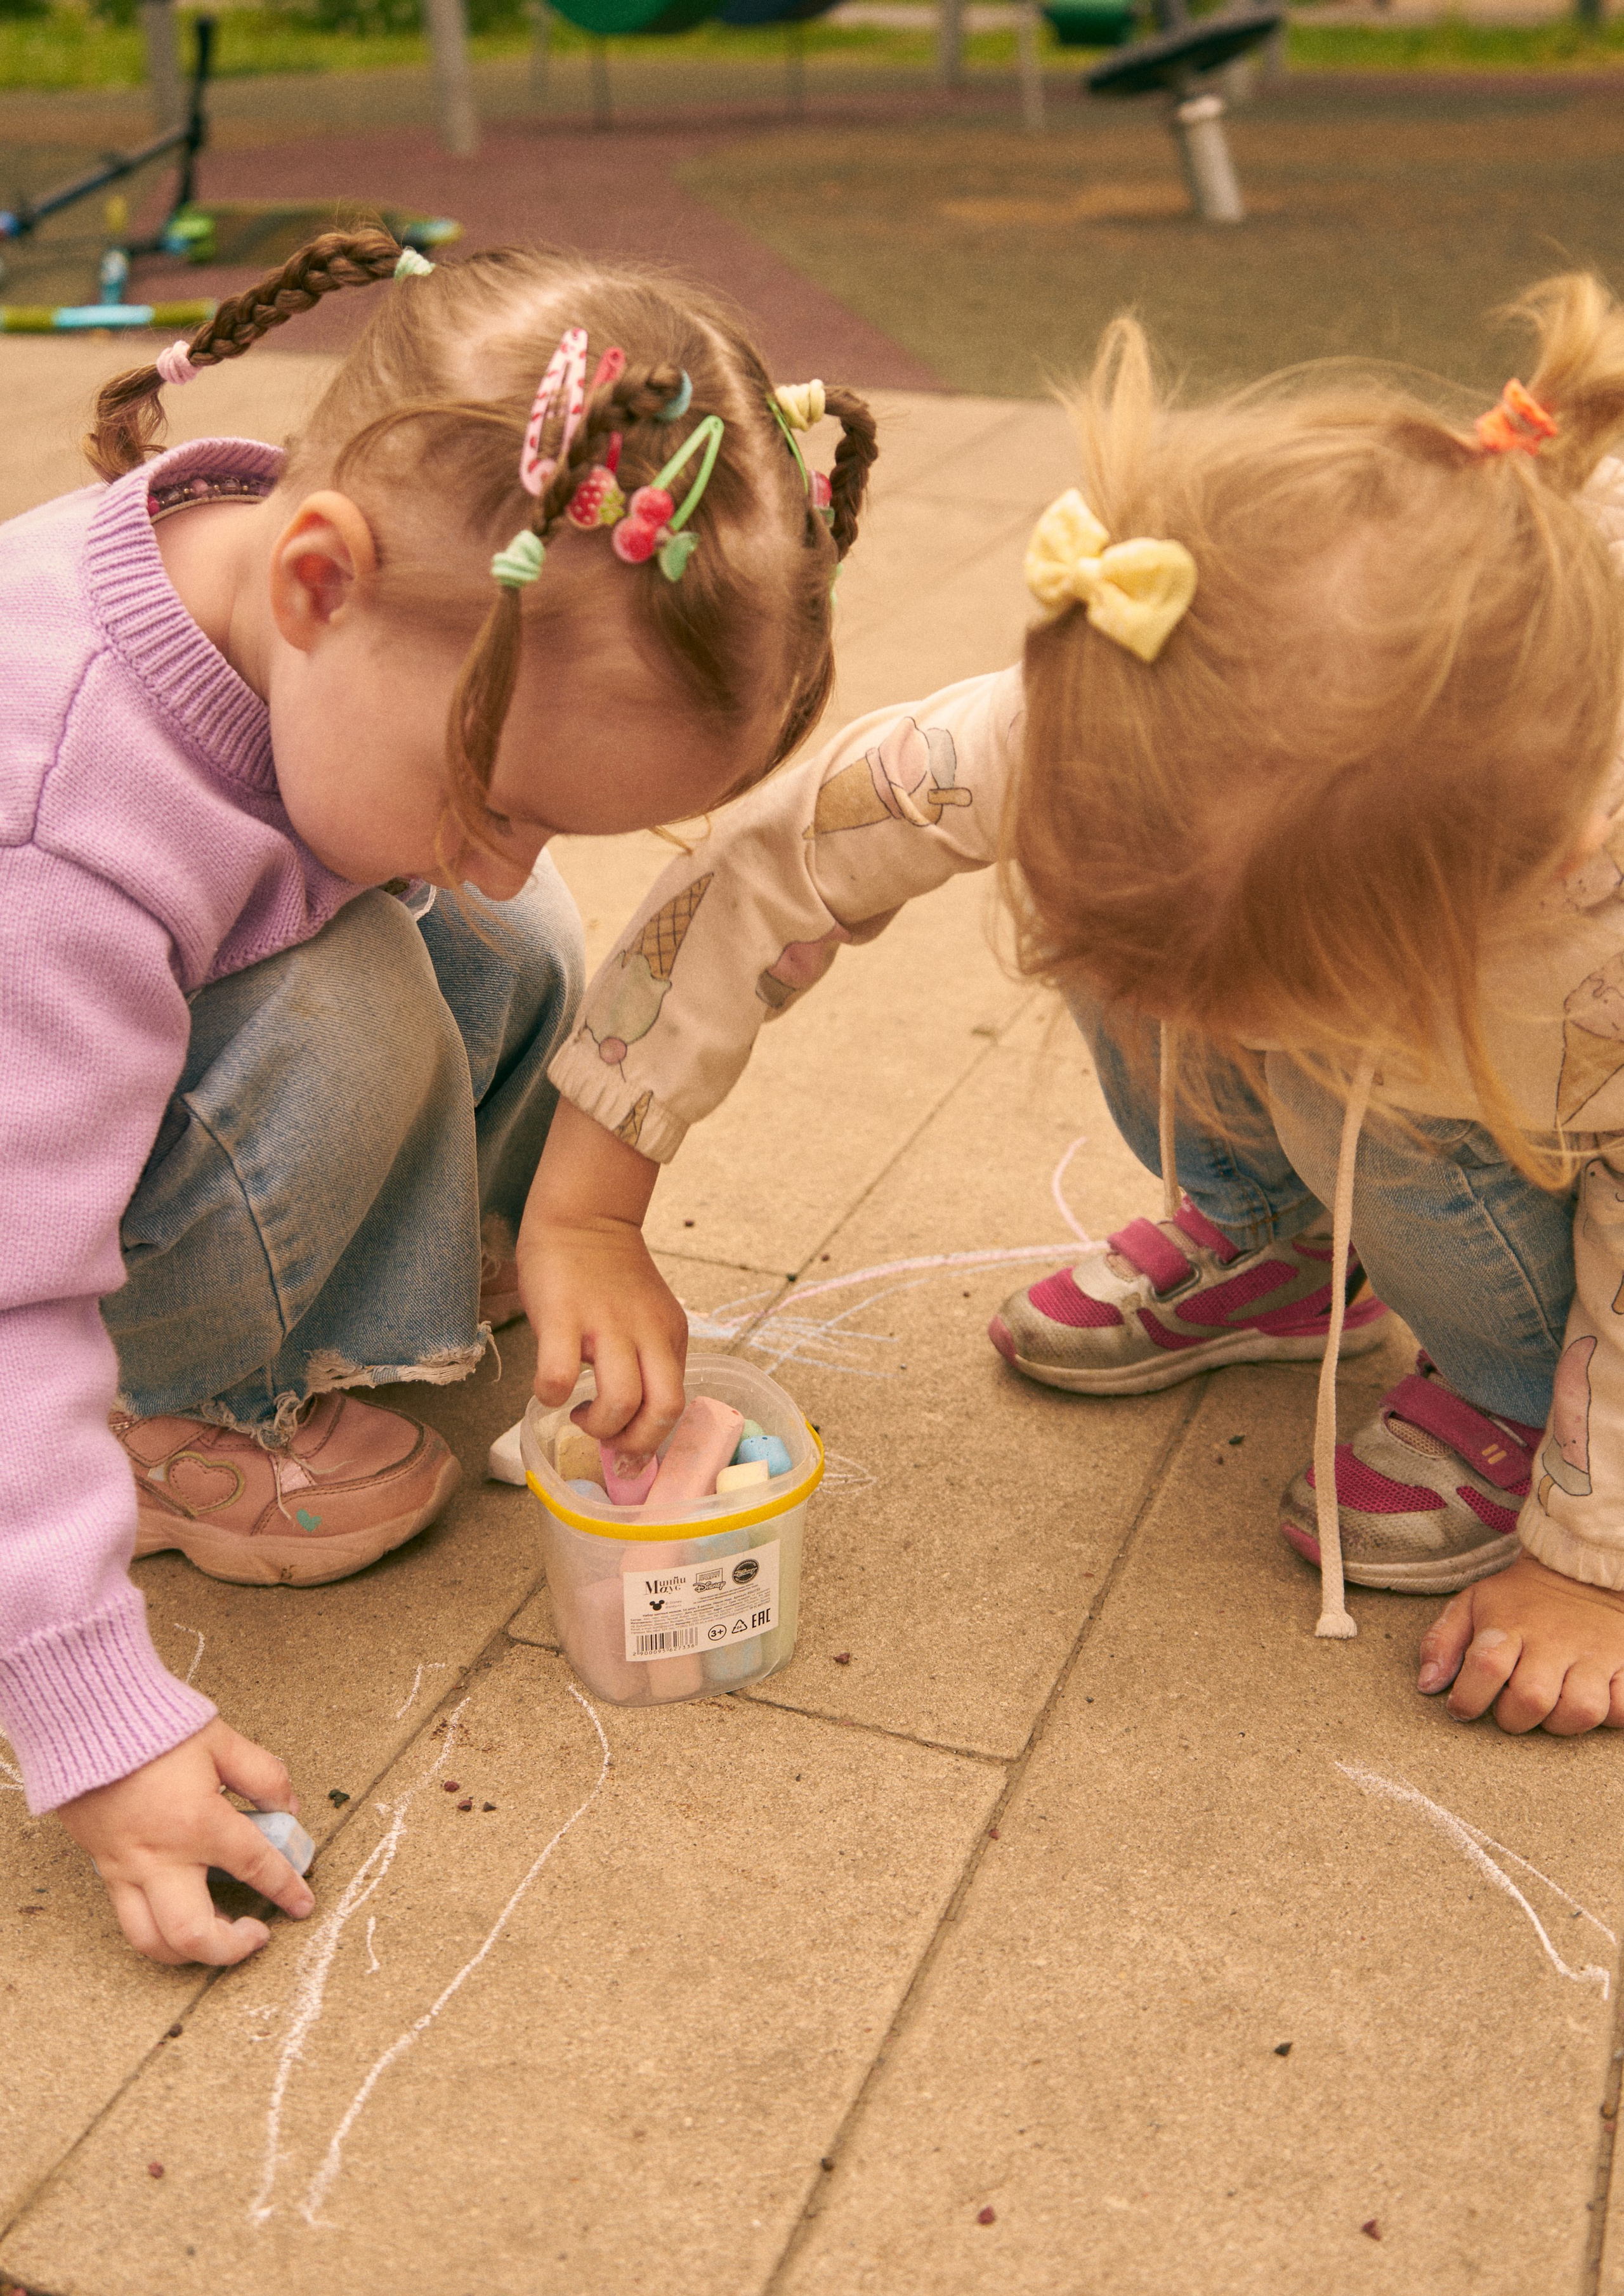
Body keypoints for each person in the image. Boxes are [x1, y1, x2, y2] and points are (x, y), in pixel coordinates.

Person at [529, 271, 1624, 1742]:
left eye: (1272, 995)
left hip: (1547, 1168)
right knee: (1142, 942)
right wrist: (589, 1208)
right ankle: (1276, 1240)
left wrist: (1591, 1557)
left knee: (1355, 1076)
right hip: (1426, 1035)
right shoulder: (1118, 708)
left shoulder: (1584, 922)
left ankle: (1501, 1393)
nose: (1208, 1034)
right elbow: (773, 864)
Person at [0, 226, 876, 1964]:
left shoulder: (331, 601)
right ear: (319, 586)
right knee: (357, 1008)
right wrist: (87, 1714)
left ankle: (391, 1260)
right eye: (501, 790)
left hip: (104, 1059)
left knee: (505, 932)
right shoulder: (58, 834)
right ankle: (185, 1421)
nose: (513, 840)